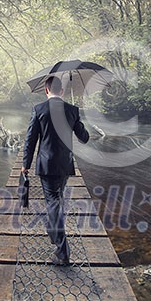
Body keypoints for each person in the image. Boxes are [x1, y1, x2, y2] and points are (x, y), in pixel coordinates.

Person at [21, 76, 90, 266]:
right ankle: (54, 233)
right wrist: (78, 118)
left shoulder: (39, 110)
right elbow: (84, 138)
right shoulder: (72, 110)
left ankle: (62, 252)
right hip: (65, 165)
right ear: (62, 91)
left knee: (53, 203)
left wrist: (25, 163)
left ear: (46, 90)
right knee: (56, 200)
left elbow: (30, 140)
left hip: (46, 164)